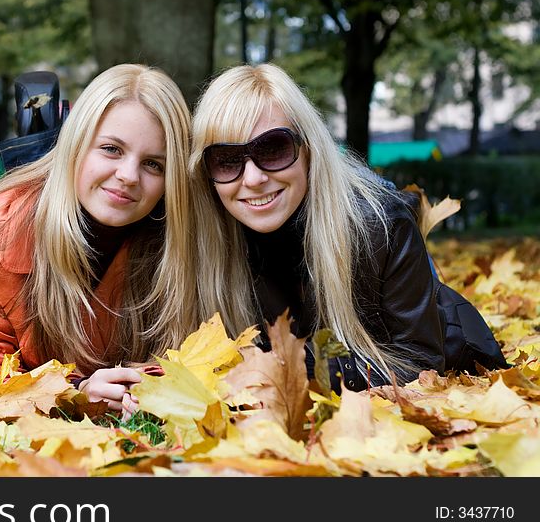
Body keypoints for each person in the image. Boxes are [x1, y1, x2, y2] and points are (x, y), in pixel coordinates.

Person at [189, 63, 506, 393]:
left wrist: (293, 368)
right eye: (226, 159)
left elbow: (419, 360)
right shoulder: (212, 236)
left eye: (273, 149)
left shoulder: (381, 224)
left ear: (308, 148)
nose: (253, 179)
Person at [0, 64, 196, 414]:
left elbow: (185, 361)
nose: (128, 176)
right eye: (111, 149)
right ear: (76, 145)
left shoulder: (174, 239)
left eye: (153, 164)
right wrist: (76, 393)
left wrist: (140, 385)